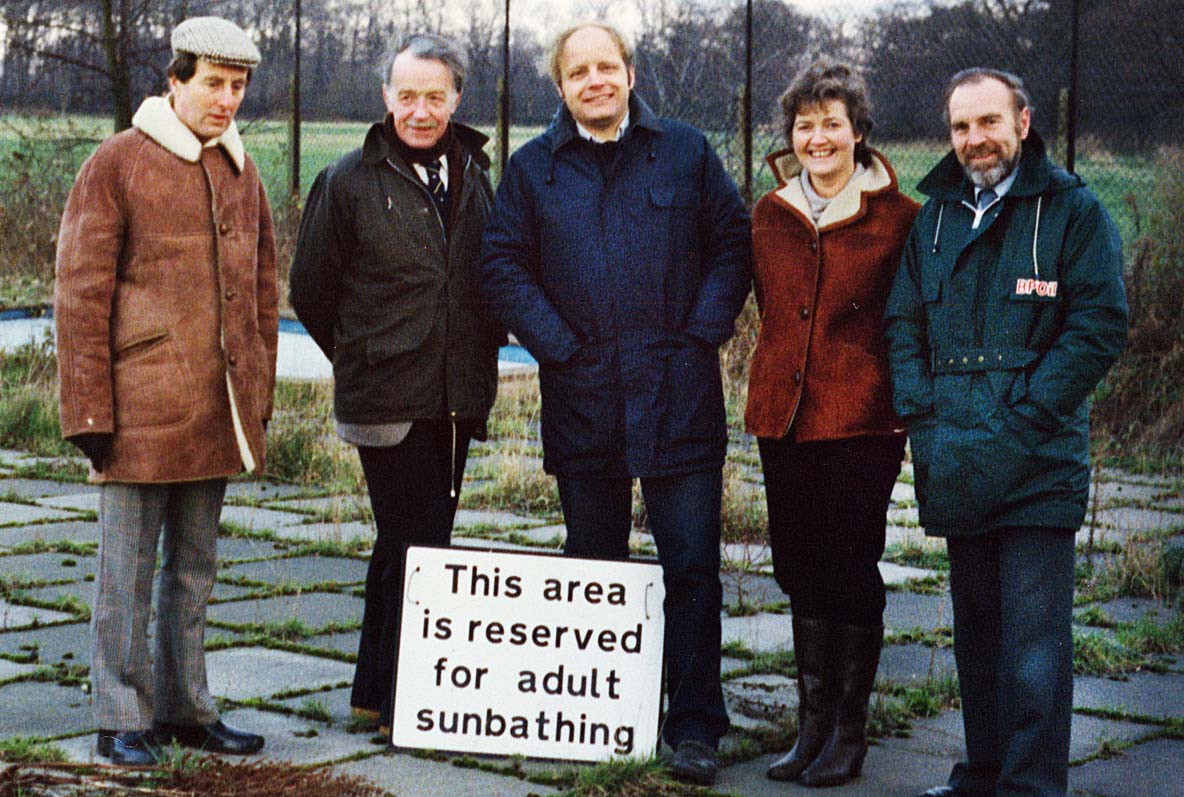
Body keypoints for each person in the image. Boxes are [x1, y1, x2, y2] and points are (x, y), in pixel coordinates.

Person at [478, 21, 750, 786]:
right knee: (593, 563)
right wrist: (558, 345)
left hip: (679, 394)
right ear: (560, 86)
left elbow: (733, 244)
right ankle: (601, 714)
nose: (595, 81)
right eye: (579, 72)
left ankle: (694, 723)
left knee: (691, 566)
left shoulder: (688, 153)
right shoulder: (534, 171)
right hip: (584, 396)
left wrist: (702, 334)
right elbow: (500, 264)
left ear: (630, 74)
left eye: (608, 67)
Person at [884, 68, 1127, 797]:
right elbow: (902, 323)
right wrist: (921, 412)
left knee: (1033, 646)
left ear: (1023, 121)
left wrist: (1026, 415)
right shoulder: (933, 218)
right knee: (978, 636)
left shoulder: (1073, 212)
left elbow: (1098, 325)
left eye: (988, 121)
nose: (974, 139)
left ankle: (1029, 786)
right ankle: (980, 772)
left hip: (1036, 460)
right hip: (955, 451)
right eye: (960, 126)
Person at [55, 16, 276, 764]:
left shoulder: (244, 173)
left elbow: (263, 293)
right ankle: (120, 716)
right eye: (212, 83)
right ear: (174, 80)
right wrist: (87, 409)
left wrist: (258, 393)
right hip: (136, 410)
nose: (225, 100)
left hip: (216, 412)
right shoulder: (116, 163)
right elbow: (79, 292)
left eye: (237, 86)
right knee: (125, 574)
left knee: (195, 570)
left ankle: (186, 707)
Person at [289, 33, 502, 733]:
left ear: (455, 98)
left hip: (457, 394)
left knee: (422, 540)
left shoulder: (475, 172)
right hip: (387, 396)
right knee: (406, 536)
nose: (420, 110)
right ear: (386, 98)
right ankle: (398, 696)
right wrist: (368, 354)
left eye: (434, 96)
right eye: (406, 95)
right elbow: (312, 294)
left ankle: (378, 692)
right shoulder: (347, 180)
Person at [743, 60, 919, 788]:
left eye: (832, 123)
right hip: (781, 416)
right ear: (791, 135)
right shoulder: (769, 213)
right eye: (805, 125)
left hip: (861, 418)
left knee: (849, 567)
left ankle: (848, 732)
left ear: (857, 132)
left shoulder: (898, 216)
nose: (818, 138)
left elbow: (910, 316)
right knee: (797, 567)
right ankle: (809, 726)